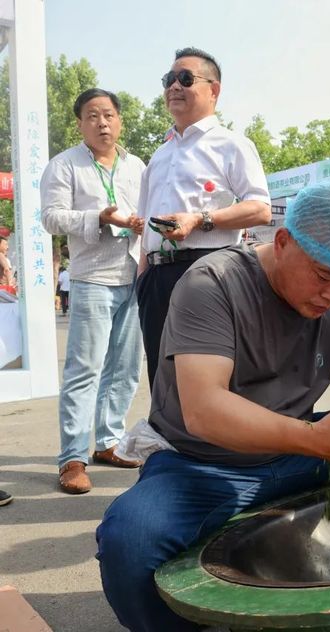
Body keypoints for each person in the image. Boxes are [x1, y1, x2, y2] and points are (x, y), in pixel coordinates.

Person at [96, 181, 330, 631]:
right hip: (201, 465)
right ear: (282, 241)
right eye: (325, 276)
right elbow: (204, 410)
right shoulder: (214, 283)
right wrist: (314, 440)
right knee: (130, 541)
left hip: (299, 451)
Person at [136, 46, 271, 389]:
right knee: (161, 376)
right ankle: (167, 441)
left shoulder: (232, 145)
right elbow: (144, 221)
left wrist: (200, 220)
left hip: (207, 271)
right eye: (169, 79)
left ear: (214, 90)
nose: (174, 87)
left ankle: (212, 443)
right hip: (157, 278)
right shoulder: (159, 155)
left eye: (185, 78)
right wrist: (143, 275)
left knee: (207, 379)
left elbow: (260, 208)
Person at [41, 88, 146, 494]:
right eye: (92, 116)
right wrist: (97, 217)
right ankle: (71, 457)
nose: (102, 123)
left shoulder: (137, 166)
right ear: (80, 124)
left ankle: (108, 442)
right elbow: (50, 218)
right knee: (84, 370)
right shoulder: (64, 165)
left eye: (108, 115)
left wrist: (142, 223)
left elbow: (149, 210)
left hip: (132, 274)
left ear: (120, 120)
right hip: (91, 279)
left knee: (125, 368)